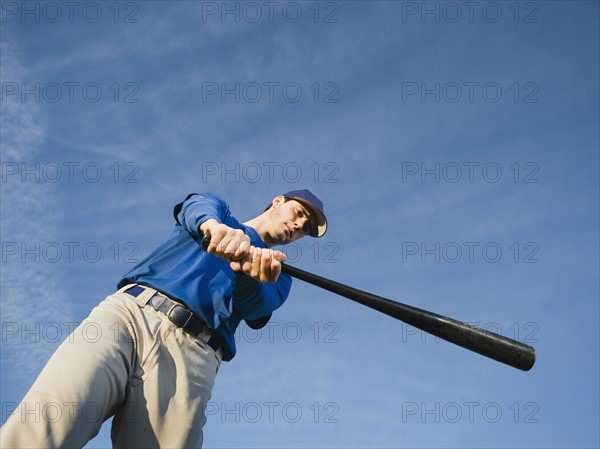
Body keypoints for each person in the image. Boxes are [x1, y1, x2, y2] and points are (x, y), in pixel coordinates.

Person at [0, 189, 328, 449]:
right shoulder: (220, 212)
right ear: (278, 201)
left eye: (306, 229)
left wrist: (246, 271)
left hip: (193, 356)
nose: (299, 226)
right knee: (44, 426)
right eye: (299, 214)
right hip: (129, 315)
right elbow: (195, 208)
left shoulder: (279, 273)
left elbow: (257, 307)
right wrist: (215, 229)